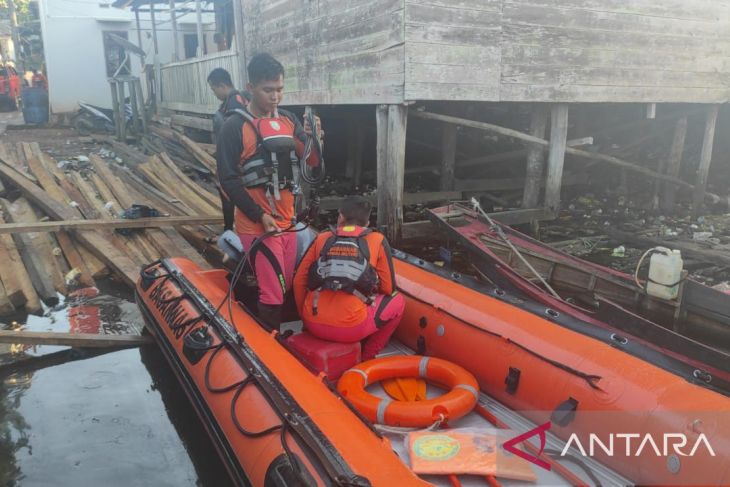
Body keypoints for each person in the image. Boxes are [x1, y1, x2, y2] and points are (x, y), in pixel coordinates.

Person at [216, 53, 322, 330]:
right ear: (250, 88)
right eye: (268, 90)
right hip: (257, 225)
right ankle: (270, 348)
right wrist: (259, 215)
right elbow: (227, 180)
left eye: (279, 89)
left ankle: (276, 332)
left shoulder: (288, 121)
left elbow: (312, 162)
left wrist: (315, 140)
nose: (275, 96)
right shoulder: (233, 126)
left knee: (284, 281)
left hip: (287, 221)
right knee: (273, 292)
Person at [293, 196, 405, 360]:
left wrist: (305, 318)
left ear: (341, 217)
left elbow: (298, 281)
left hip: (313, 323)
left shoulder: (322, 237)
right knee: (398, 301)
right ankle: (367, 357)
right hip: (351, 329)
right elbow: (388, 289)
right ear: (367, 222)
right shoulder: (377, 239)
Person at [207, 68, 250, 232]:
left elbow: (235, 135)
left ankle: (229, 231)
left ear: (221, 85)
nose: (214, 93)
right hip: (247, 159)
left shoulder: (231, 105)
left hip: (235, 161)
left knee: (228, 193)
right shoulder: (245, 98)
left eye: (213, 89)